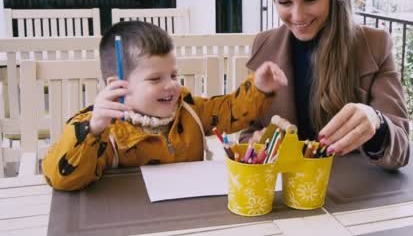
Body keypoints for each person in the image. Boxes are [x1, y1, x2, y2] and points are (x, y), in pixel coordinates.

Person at [42, 21, 287, 191]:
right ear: (117, 85)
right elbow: (61, 179)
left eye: (173, 75)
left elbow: (229, 111)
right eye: (155, 79)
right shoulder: (102, 131)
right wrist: (92, 130)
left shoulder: (188, 108)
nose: (171, 86)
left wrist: (259, 87)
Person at [245, 0, 410, 169]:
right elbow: (249, 131)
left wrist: (377, 122)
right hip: (286, 193)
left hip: (354, 193)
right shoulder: (263, 45)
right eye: (284, 2)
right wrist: (256, 142)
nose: (298, 16)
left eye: (311, 0)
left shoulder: (375, 45)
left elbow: (401, 148)